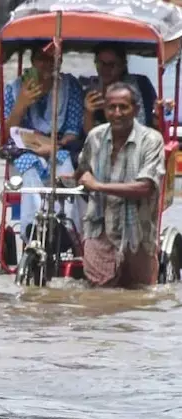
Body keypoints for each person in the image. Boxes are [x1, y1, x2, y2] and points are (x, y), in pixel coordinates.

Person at [76, 82, 166, 288]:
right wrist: (79, 177)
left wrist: (98, 186)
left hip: (138, 233)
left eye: (123, 107)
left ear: (135, 109)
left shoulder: (151, 140)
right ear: (105, 109)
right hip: (99, 229)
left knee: (139, 292)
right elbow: (82, 169)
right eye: (112, 107)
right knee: (100, 295)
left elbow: (146, 187)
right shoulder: (95, 136)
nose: (117, 113)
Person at [3, 45, 86, 239]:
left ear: (60, 61)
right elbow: (8, 133)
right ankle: (32, 227)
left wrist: (51, 147)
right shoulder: (14, 89)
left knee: (64, 163)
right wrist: (21, 104)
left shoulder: (69, 87)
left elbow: (73, 132)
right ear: (32, 62)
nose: (46, 64)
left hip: (60, 148)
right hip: (25, 151)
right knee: (28, 164)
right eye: (41, 59)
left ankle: (63, 225)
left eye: (52, 59)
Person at [81, 44, 158, 135]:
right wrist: (89, 113)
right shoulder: (90, 90)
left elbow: (153, 118)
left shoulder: (141, 84)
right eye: (101, 63)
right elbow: (90, 137)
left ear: (122, 65)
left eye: (111, 64)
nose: (106, 69)